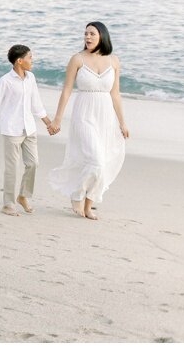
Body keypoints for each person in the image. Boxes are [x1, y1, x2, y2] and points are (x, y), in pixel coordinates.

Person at [47, 22, 129, 220]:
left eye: (92, 34)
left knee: (104, 159)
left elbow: (115, 94)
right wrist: (57, 119)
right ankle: (77, 194)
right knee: (96, 160)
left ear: (102, 36)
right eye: (86, 34)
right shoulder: (77, 59)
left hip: (105, 116)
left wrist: (122, 122)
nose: (88, 37)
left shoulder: (114, 61)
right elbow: (67, 90)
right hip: (84, 114)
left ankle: (88, 205)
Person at [0, 45, 57, 216]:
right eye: (30, 57)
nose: (32, 61)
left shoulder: (30, 77)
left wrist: (48, 123)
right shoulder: (5, 81)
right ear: (19, 61)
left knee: (33, 163)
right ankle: (8, 204)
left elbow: (36, 103)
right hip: (12, 129)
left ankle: (23, 195)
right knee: (11, 168)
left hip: (29, 128)